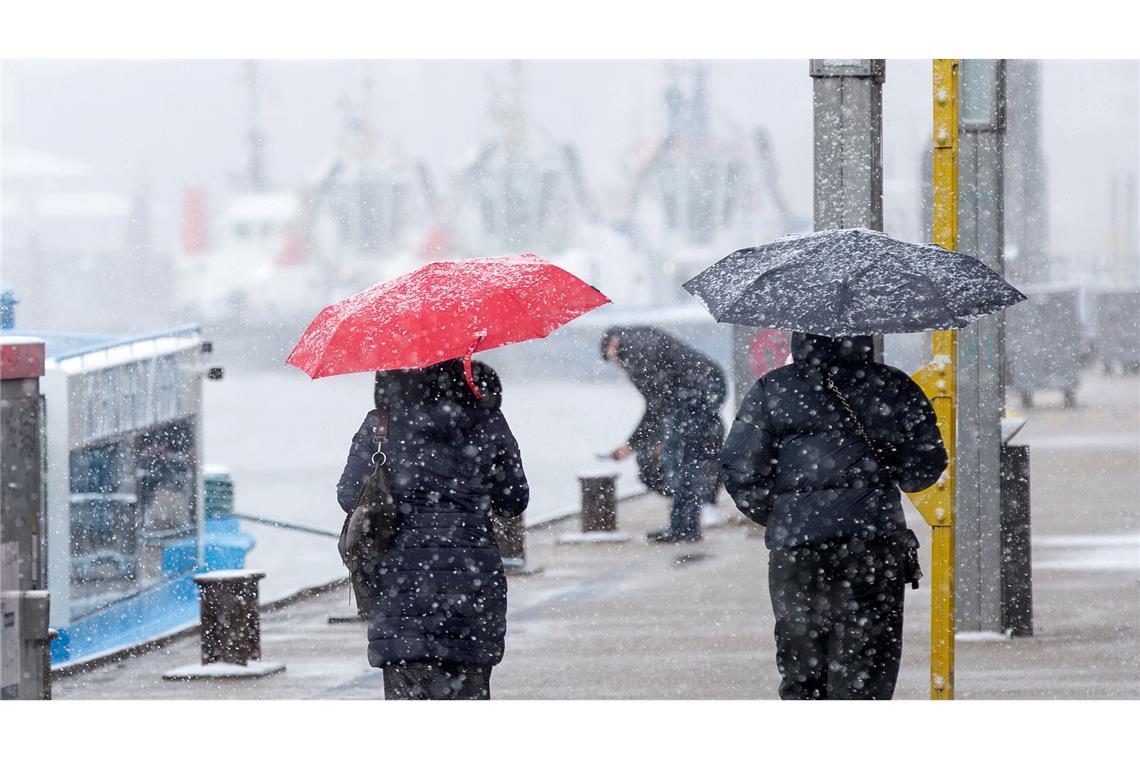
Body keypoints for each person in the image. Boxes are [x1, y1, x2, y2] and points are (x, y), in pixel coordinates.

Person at [721, 333, 947, 700]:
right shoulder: (893, 386)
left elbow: (739, 468)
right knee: (867, 669)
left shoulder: (772, 389)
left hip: (798, 552)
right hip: (873, 547)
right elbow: (924, 469)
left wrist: (786, 516)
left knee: (803, 667)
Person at [336, 358, 528, 699]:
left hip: (402, 591)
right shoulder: (487, 420)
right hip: (472, 589)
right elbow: (513, 499)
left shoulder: (381, 426)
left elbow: (349, 495)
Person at [601, 326, 726, 543]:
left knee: (682, 460)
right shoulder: (641, 337)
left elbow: (657, 402)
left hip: (695, 391)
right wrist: (637, 442)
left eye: (610, 359)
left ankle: (684, 528)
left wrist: (636, 443)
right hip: (708, 383)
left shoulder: (634, 352)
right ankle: (684, 525)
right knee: (689, 457)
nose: (617, 365)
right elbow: (660, 400)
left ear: (611, 347)